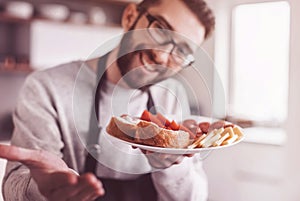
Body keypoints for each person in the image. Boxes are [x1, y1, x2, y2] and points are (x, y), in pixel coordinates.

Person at [0, 0, 215, 200]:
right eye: (159, 29)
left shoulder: (171, 96)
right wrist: (42, 190)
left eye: (182, 51)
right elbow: (14, 186)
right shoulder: (47, 87)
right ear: (130, 17)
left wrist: (170, 166)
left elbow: (194, 196)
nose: (160, 56)